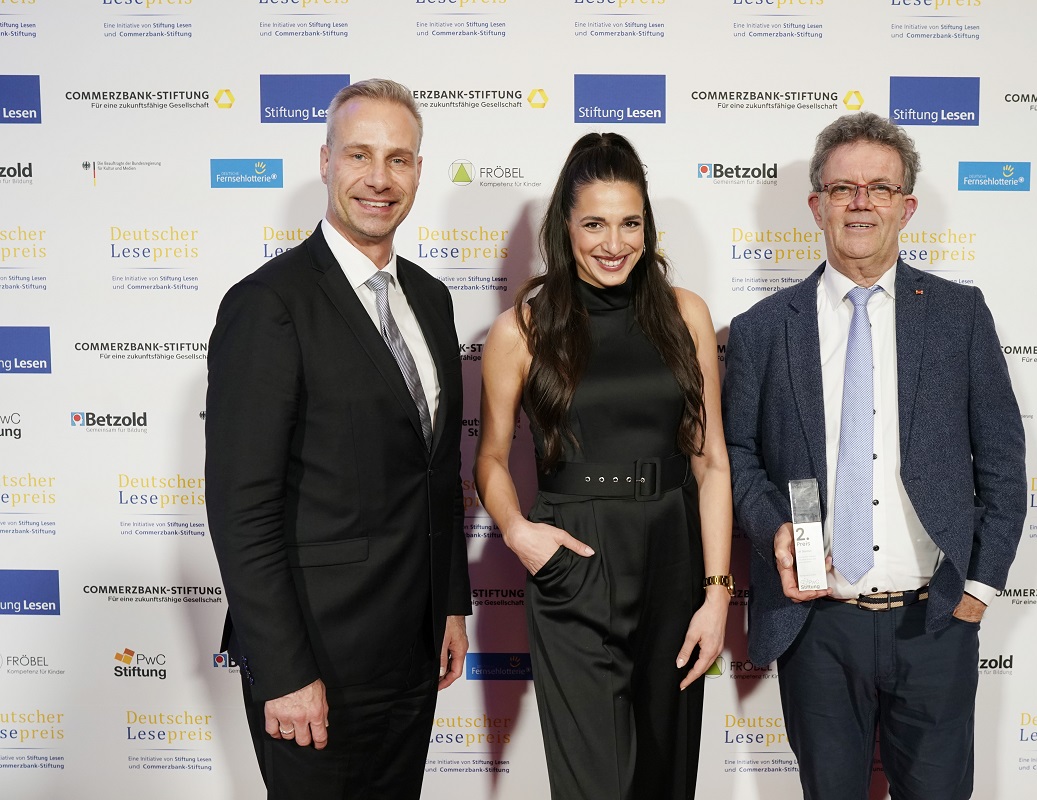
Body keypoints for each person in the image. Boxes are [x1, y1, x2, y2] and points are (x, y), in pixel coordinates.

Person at [722, 112, 1026, 800]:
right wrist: (774, 525)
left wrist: (978, 591)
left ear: (906, 207)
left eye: (880, 189)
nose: (861, 203)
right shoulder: (764, 330)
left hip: (935, 622)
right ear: (816, 206)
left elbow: (1004, 461)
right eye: (843, 189)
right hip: (818, 628)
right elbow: (737, 453)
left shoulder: (959, 314)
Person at [205, 78, 470, 799]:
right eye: (359, 155)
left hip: (410, 653)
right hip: (314, 658)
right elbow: (241, 510)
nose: (379, 179)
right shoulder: (268, 306)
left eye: (399, 159)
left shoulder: (432, 299)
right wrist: (286, 672)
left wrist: (449, 602)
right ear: (325, 162)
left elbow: (437, 471)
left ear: (419, 170)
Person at [473, 132, 732, 799]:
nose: (613, 243)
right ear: (566, 225)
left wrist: (717, 593)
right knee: (597, 786)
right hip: (576, 559)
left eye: (629, 223)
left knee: (664, 780)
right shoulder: (521, 330)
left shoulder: (686, 315)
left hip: (674, 554)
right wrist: (518, 533)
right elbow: (492, 459)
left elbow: (711, 464)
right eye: (594, 223)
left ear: (647, 226)